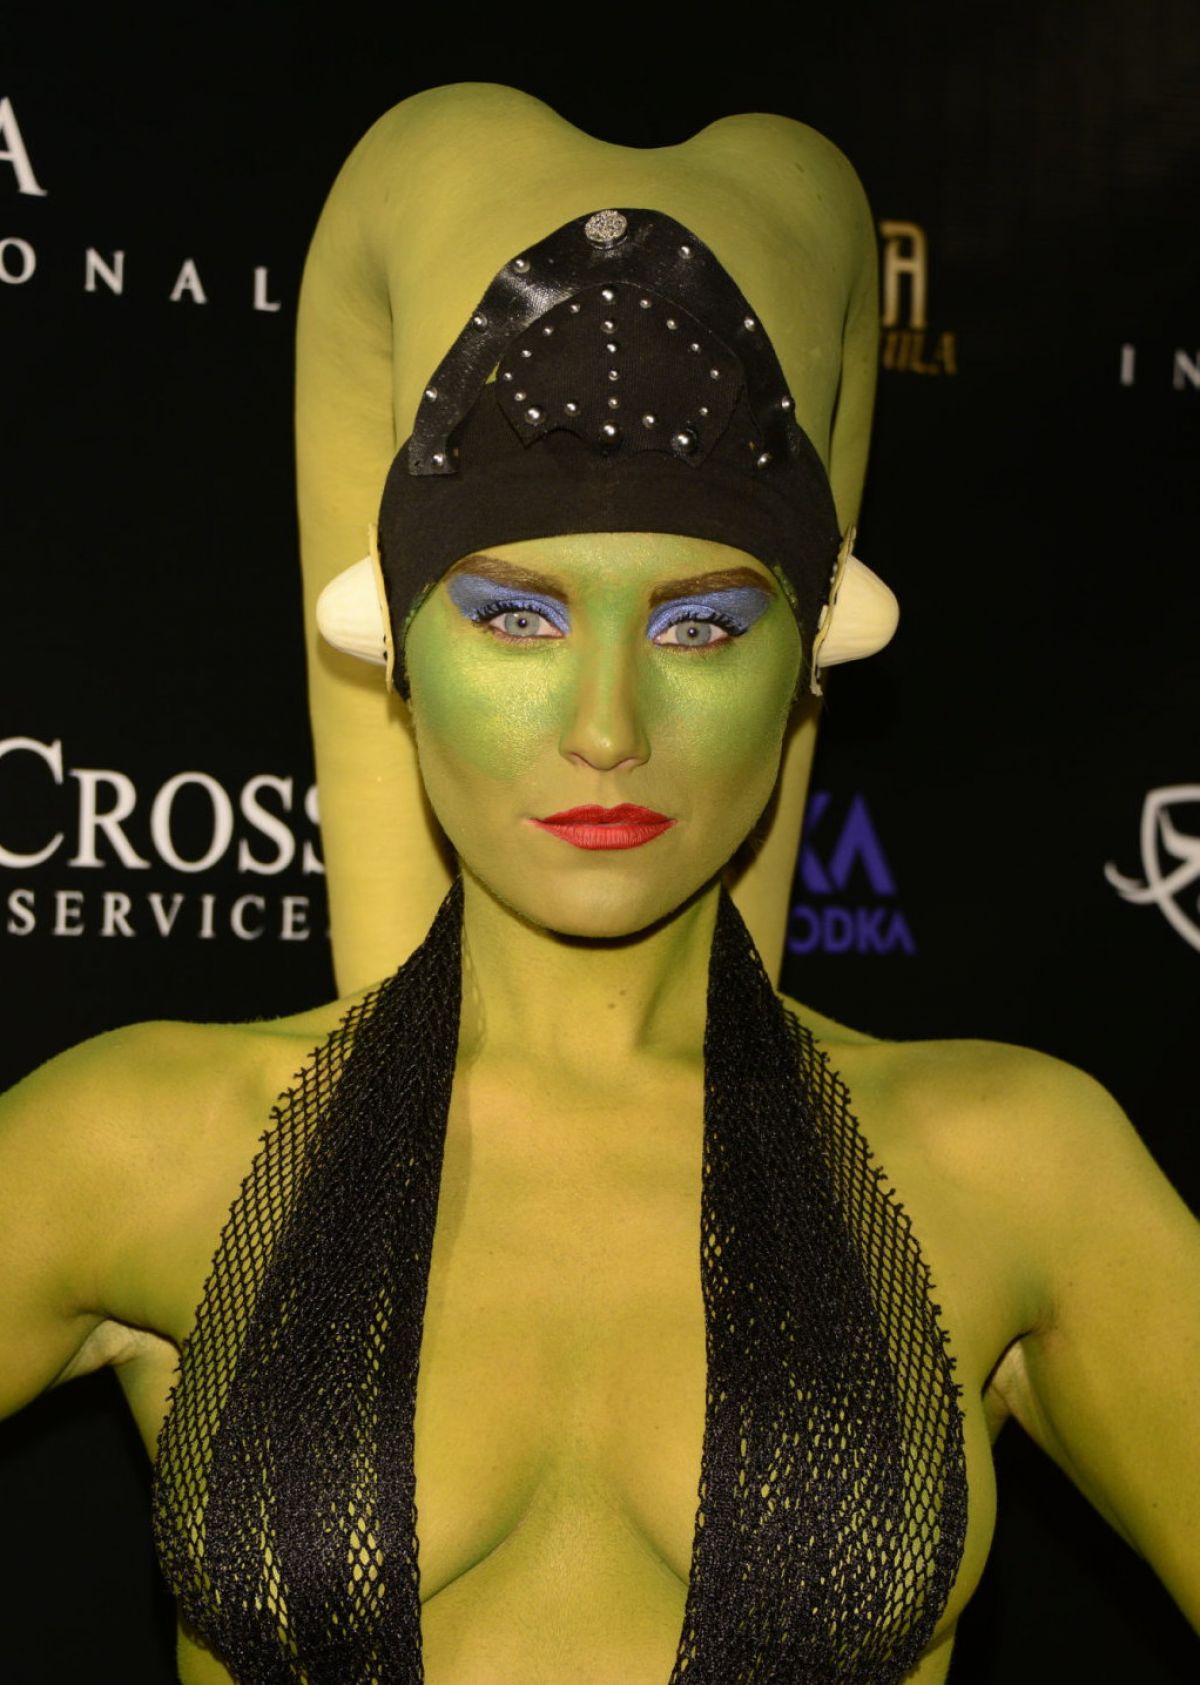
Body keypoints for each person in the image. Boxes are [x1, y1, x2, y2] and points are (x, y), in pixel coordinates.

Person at [1, 85, 1197, 1685]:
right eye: (518, 617)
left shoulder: (1010, 1172)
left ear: (805, 659)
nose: (609, 727)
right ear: (394, 647)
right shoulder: (147, 1148)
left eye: (701, 624)